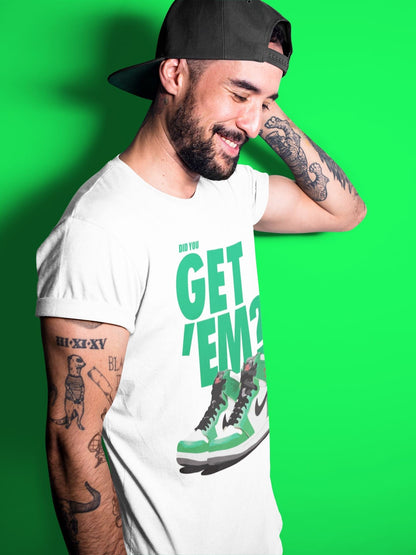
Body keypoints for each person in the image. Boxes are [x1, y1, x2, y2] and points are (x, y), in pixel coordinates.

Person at [36, 0, 366, 553]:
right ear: (174, 74)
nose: (254, 124)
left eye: (267, 102)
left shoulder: (230, 189)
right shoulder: (99, 230)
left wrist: (256, 105)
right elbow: (73, 444)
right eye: (238, 94)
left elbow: (345, 211)